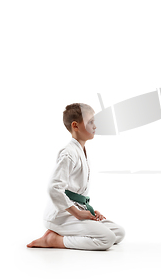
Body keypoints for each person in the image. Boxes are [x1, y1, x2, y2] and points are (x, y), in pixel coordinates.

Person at [27, 103, 125, 250]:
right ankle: (53, 240)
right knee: (107, 239)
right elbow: (54, 188)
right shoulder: (68, 153)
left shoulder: (81, 150)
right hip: (61, 216)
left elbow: (75, 192)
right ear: (75, 126)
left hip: (76, 209)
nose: (95, 126)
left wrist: (88, 210)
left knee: (118, 233)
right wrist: (78, 213)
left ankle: (67, 234)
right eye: (90, 122)